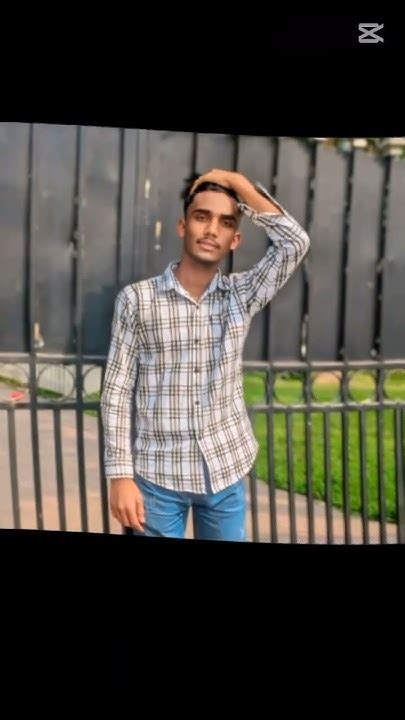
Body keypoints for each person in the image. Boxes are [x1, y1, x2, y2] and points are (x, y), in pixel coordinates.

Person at [100, 168, 310, 541]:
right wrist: (120, 476)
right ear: (183, 226)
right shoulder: (137, 300)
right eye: (202, 216)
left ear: (235, 239)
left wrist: (238, 183)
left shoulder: (241, 295)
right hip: (158, 476)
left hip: (225, 470)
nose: (212, 229)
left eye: (225, 222)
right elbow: (116, 390)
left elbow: (295, 243)